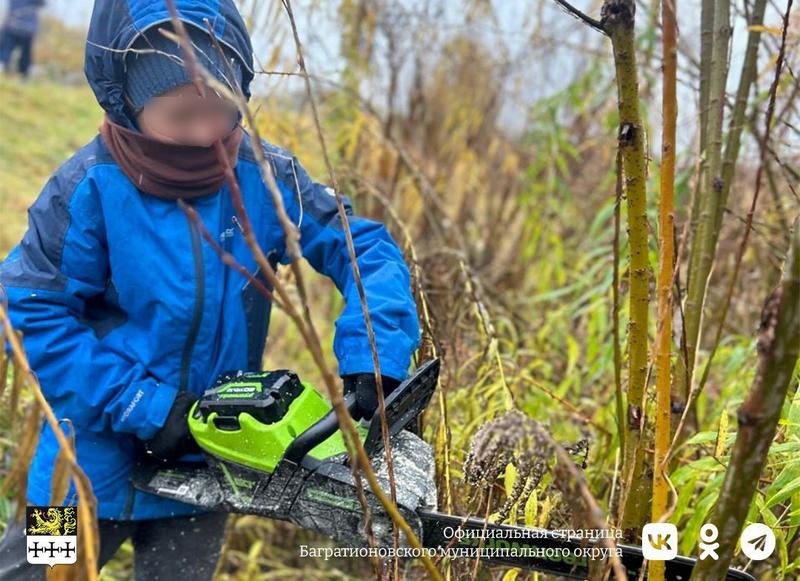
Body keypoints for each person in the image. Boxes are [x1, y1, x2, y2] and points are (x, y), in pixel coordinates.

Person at [0, 0, 421, 578]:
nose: (205, 133)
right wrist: (145, 406)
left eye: (220, 107)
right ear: (128, 104)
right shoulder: (87, 189)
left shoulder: (264, 176)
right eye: (179, 114)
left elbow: (361, 247)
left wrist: (376, 352)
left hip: (206, 475)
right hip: (79, 469)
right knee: (35, 573)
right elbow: (28, 312)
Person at [0, 0, 45, 78]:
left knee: (6, 50)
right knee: (24, 54)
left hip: (13, 25)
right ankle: (23, 74)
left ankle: (3, 66)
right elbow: (41, 3)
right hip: (26, 29)